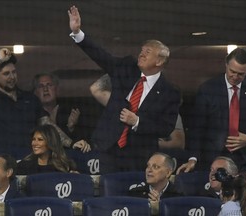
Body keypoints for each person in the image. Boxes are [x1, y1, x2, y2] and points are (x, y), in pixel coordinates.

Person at [68, 6, 181, 172]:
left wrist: (136, 122)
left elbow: (165, 127)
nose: (141, 54)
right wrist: (78, 33)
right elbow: (102, 56)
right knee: (109, 194)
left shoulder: (169, 92)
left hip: (139, 155)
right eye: (141, 51)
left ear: (159, 62)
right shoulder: (127, 67)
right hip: (108, 148)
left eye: (147, 52)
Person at [177, 48, 246, 174]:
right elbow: (197, 128)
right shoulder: (208, 89)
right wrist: (193, 158)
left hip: (244, 158)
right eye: (232, 71)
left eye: (241, 74)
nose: (235, 77)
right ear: (226, 65)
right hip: (213, 157)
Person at [0, 49, 77, 159]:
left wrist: (71, 144)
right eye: (6, 74)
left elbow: (47, 125)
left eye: (14, 72)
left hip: (28, 160)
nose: (12, 77)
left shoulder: (29, 98)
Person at [90, 74, 185, 149]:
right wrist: (118, 72)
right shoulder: (121, 105)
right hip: (115, 153)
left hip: (145, 156)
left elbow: (178, 143)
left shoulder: (168, 114)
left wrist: (147, 143)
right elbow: (95, 89)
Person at [33, 72, 91, 142]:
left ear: (57, 90)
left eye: (49, 85)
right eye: (41, 86)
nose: (45, 89)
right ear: (35, 92)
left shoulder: (68, 112)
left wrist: (71, 128)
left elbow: (80, 143)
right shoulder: (32, 114)